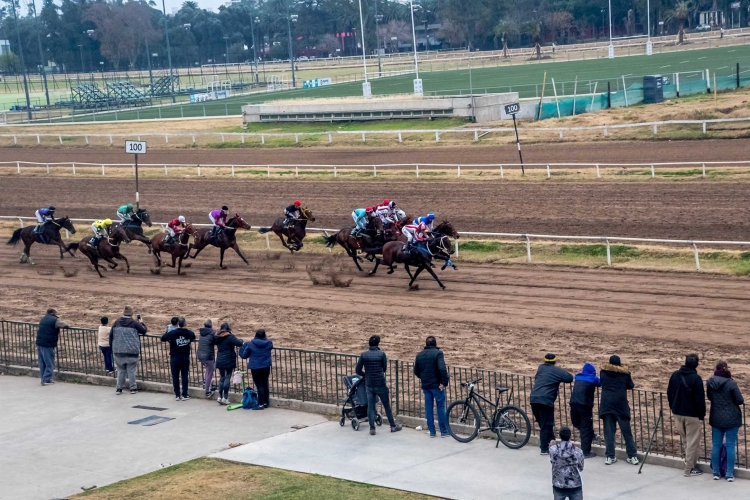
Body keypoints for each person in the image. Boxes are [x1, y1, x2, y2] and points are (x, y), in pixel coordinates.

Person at [667, 353, 706, 477]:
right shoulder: (696, 378)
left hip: (678, 413)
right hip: (691, 415)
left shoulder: (675, 375)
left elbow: (669, 393)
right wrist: (701, 415)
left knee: (686, 441)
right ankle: (689, 469)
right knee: (692, 442)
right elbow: (700, 399)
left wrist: (673, 407)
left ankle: (690, 464)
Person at [355, 335, 402, 435]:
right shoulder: (381, 354)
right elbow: (384, 368)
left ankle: (372, 428)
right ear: (378, 343)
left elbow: (358, 370)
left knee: (371, 406)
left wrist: (366, 375)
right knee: (386, 405)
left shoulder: (364, 355)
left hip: (369, 384)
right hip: (380, 383)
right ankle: (392, 425)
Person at [707, 360, 744, 482]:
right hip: (732, 418)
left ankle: (716, 472)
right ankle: (729, 474)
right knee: (730, 446)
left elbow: (710, 397)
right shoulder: (731, 383)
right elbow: (739, 400)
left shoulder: (710, 382)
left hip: (716, 417)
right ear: (725, 368)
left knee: (716, 445)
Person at [530, 353, 573, 455]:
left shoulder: (541, 368)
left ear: (544, 361)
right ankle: (544, 448)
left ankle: (551, 440)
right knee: (546, 424)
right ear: (554, 361)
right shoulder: (556, 370)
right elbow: (569, 378)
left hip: (534, 398)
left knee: (543, 423)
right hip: (546, 400)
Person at [599, 355, 639, 465]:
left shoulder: (603, 372)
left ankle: (610, 456)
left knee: (609, 433)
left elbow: (601, 382)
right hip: (621, 406)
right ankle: (632, 456)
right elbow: (630, 385)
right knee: (627, 433)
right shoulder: (625, 374)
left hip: (607, 405)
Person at [413, 336, 450, 438]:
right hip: (437, 385)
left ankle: (432, 431)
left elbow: (416, 371)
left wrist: (424, 377)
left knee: (429, 408)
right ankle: (444, 431)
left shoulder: (419, 355)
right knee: (441, 407)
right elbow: (442, 369)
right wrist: (444, 382)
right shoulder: (438, 353)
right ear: (435, 343)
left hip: (426, 385)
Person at [109, 306, 148, 395]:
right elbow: (144, 331)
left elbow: (111, 336)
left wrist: (113, 348)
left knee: (121, 371)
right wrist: (142, 323)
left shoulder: (116, 322)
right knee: (131, 371)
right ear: (131, 314)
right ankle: (133, 388)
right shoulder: (134, 323)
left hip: (118, 351)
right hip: (132, 351)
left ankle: (119, 388)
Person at [160, 317, 195, 401]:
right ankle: (184, 394)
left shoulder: (173, 333)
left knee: (175, 377)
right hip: (185, 357)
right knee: (184, 376)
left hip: (175, 357)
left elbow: (163, 338)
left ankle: (177, 395)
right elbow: (193, 336)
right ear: (185, 324)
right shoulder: (189, 333)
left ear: (178, 325)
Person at [569, 362, 600, 458]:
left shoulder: (578, 376)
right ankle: (586, 451)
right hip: (585, 405)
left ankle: (589, 435)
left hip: (574, 403)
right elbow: (600, 383)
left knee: (576, 423)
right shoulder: (593, 378)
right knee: (586, 428)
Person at [240, 329, 274, 409]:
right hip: (266, 366)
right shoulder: (269, 343)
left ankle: (260, 404)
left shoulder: (250, 344)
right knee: (265, 383)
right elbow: (270, 347)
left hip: (255, 367)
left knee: (259, 385)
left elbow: (245, 355)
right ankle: (266, 403)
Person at [549, 427, 585, 500]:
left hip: (559, 484)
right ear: (570, 436)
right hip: (575, 484)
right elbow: (581, 468)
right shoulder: (578, 451)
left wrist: (552, 442)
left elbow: (552, 459)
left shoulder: (553, 450)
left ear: (559, 436)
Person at [36, 308, 68, 385]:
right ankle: (46, 379)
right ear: (54, 313)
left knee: (42, 362)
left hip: (40, 342)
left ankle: (43, 378)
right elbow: (65, 325)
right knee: (49, 362)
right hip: (48, 343)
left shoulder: (43, 318)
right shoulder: (55, 320)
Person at [214, 322, 243, 405]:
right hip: (229, 359)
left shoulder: (217, 337)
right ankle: (225, 397)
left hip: (220, 358)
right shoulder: (230, 336)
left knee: (222, 377)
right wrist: (241, 340)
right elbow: (239, 343)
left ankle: (220, 396)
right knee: (227, 377)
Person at [197, 319, 216, 398]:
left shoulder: (201, 333)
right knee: (210, 372)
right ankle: (207, 391)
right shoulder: (212, 333)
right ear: (211, 325)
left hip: (200, 354)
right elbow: (215, 341)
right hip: (208, 355)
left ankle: (207, 385)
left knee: (208, 370)